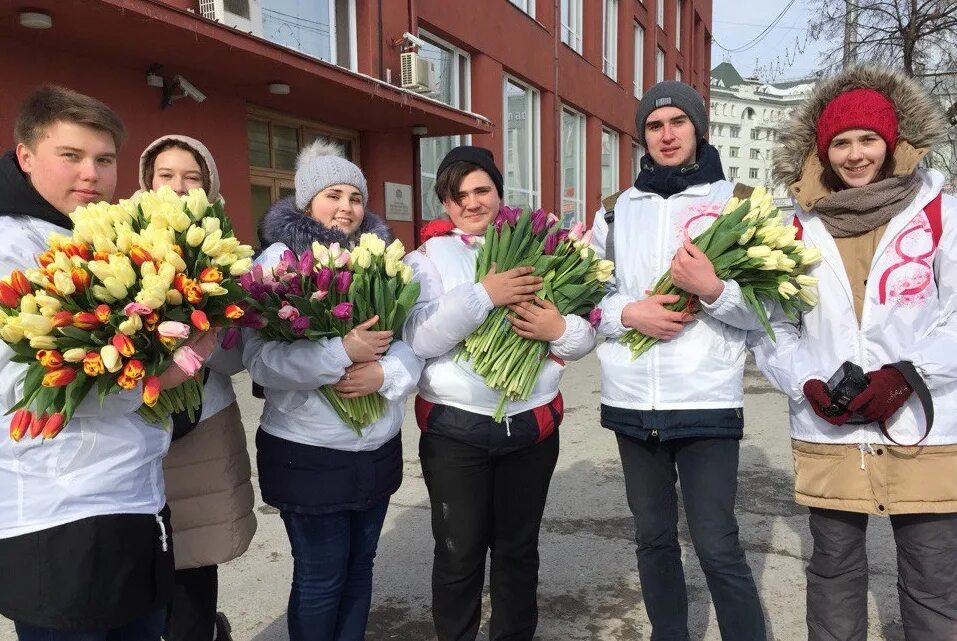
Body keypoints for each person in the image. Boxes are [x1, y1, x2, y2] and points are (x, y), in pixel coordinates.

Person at [0, 86, 215, 640]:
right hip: (58, 514)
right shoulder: (10, 249)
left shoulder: (104, 237)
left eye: (103, 159)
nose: (90, 174)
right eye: (70, 156)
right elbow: (20, 386)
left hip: (135, 499)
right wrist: (165, 374)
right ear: (26, 156)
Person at [751, 66, 957, 641]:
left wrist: (906, 375)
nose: (855, 153)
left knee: (933, 581)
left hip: (924, 427)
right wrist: (805, 382)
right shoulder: (796, 228)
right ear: (823, 151)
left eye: (867, 139)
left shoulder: (942, 214)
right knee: (834, 571)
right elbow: (772, 327)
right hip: (832, 428)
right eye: (840, 142)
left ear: (892, 143)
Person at [590, 81, 767, 640]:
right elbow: (587, 293)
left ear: (698, 129)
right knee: (653, 539)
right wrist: (629, 314)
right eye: (655, 126)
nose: (667, 135)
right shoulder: (616, 212)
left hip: (706, 400)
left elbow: (769, 312)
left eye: (678, 123)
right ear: (642, 136)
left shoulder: (736, 204)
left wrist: (716, 291)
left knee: (717, 544)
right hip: (631, 401)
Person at [403, 145, 596, 641]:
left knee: (516, 551)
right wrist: (484, 294)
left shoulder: (543, 247)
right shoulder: (427, 258)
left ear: (498, 191)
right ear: (445, 205)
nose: (471, 203)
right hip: (455, 429)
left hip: (530, 426)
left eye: (481, 189)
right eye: (457, 195)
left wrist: (558, 329)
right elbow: (419, 337)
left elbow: (583, 336)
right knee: (457, 552)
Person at [244, 140, 423, 641]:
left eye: (355, 197)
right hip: (309, 450)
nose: (346, 207)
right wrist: (341, 353)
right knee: (321, 578)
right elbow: (259, 360)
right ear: (306, 202)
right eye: (332, 195)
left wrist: (384, 376)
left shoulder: (383, 259)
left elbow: (413, 340)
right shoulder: (278, 261)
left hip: (377, 444)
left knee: (362, 568)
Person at [139, 135, 256, 641]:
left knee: (197, 555)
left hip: (203, 421)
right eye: (166, 175)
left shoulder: (229, 254)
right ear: (148, 182)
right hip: (143, 423)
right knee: (147, 559)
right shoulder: (125, 242)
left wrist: (205, 335)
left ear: (209, 187)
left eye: (192, 177)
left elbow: (237, 356)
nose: (178, 187)